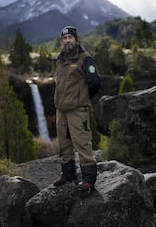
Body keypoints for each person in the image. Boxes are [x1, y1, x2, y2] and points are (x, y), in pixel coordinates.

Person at [53, 25, 101, 193]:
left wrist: (83, 98)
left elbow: (95, 82)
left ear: (75, 39)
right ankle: (68, 174)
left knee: (82, 143)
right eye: (64, 38)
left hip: (77, 110)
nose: (67, 41)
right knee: (64, 144)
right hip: (61, 110)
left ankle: (88, 180)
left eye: (70, 38)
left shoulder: (85, 59)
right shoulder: (60, 59)